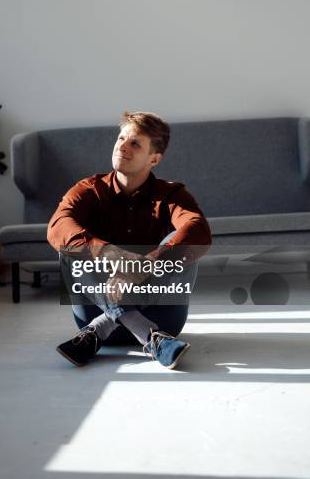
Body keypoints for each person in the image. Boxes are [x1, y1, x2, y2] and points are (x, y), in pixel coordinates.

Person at [47, 111, 212, 370]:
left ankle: (104, 328)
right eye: (121, 138)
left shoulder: (172, 195)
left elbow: (199, 230)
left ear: (154, 158)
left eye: (135, 143)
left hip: (162, 317)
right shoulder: (88, 189)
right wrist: (106, 252)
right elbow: (57, 226)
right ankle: (149, 336)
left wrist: (144, 266)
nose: (122, 146)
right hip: (96, 311)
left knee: (181, 243)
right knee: (70, 244)